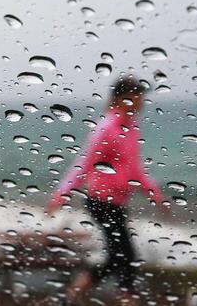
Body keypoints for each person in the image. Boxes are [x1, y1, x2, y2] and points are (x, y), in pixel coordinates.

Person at [45, 75, 169, 305]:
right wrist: (61, 194)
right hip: (100, 201)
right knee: (127, 255)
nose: (142, 103)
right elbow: (84, 164)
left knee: (115, 258)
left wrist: (154, 193)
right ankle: (126, 299)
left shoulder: (131, 128)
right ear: (123, 98)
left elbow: (134, 168)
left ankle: (72, 296)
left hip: (118, 203)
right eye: (138, 97)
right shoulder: (107, 128)